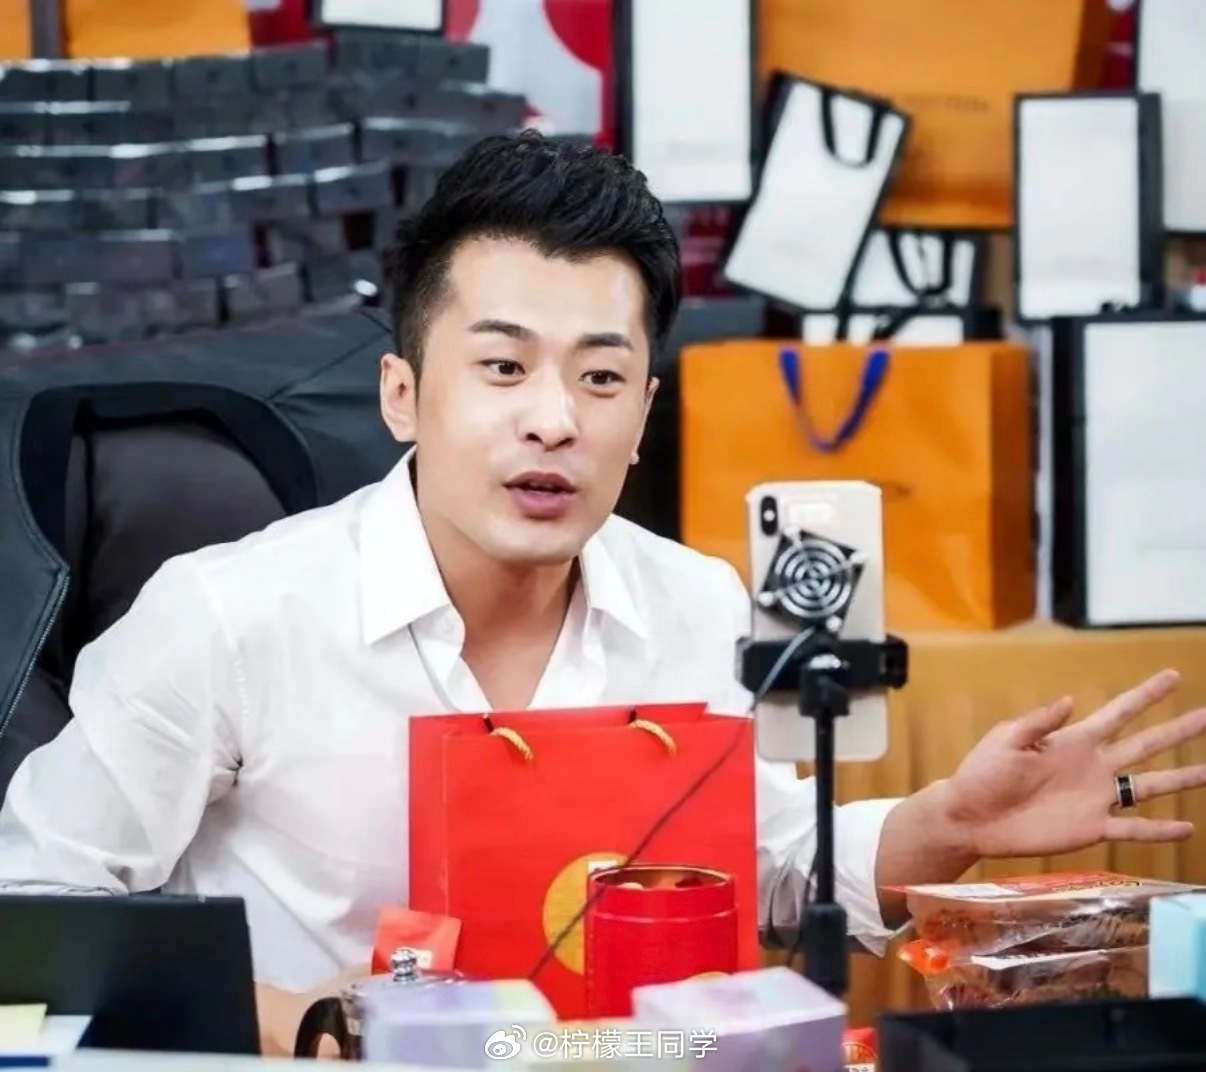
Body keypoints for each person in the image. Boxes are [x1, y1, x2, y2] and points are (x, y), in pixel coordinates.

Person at [1, 131, 1205, 1053]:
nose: (553, 419)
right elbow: (33, 910)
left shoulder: (695, 602)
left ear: (643, 415)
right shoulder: (227, 616)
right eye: (503, 366)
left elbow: (762, 863)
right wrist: (312, 1023)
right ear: (402, 396)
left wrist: (947, 826)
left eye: (601, 376)